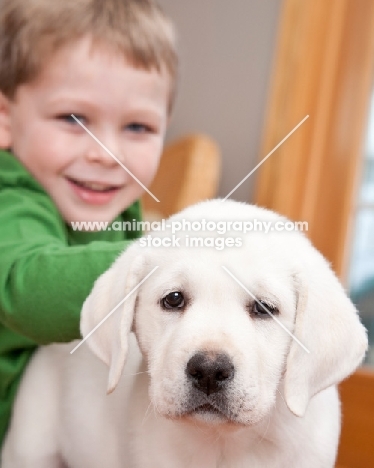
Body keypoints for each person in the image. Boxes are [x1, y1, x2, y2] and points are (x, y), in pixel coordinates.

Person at [0, 0, 178, 446]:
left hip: (67, 428)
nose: (108, 153)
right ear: (4, 121)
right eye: (74, 119)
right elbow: (25, 290)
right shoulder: (10, 195)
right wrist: (166, 256)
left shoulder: (120, 208)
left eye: (138, 127)